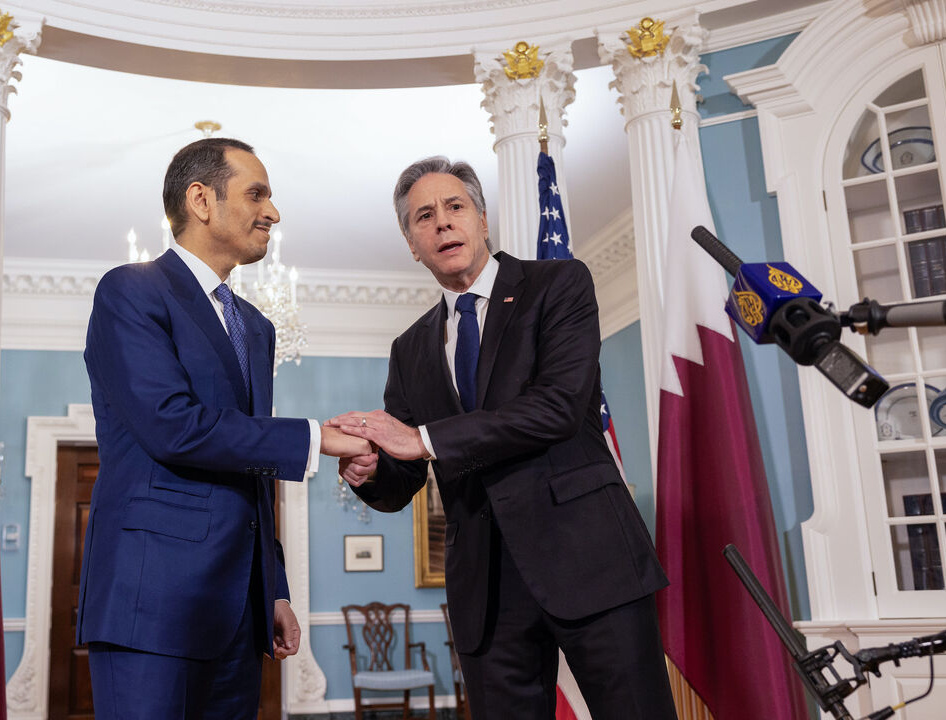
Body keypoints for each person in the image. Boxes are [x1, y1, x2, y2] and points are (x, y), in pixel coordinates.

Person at [329, 156, 678, 719]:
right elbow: (403, 480)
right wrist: (370, 472)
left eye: (454, 207)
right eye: (423, 217)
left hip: (589, 561)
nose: (442, 223)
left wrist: (421, 438)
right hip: (486, 593)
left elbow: (557, 409)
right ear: (411, 244)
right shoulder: (410, 348)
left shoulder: (558, 285)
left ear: (482, 220)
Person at [80, 137, 370, 719]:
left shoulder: (256, 327)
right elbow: (174, 428)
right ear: (201, 200)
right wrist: (315, 437)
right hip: (150, 600)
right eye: (257, 193)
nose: (274, 212)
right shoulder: (130, 290)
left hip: (239, 612)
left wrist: (275, 588)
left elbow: (250, 470)